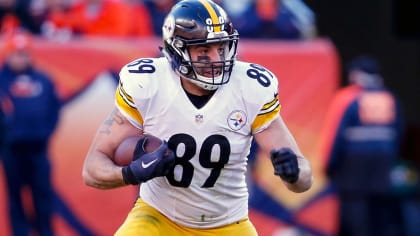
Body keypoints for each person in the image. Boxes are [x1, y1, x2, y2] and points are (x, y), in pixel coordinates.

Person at [82, 0, 313, 235]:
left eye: (221, 47)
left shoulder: (250, 87)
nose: (216, 59)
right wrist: (130, 174)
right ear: (176, 50)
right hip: (158, 217)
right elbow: (92, 168)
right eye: (204, 50)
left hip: (228, 224)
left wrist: (293, 174)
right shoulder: (148, 83)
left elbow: (304, 178)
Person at [319, 56, 405, 236]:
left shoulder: (347, 97)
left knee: (354, 213)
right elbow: (398, 133)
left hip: (353, 164)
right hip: (383, 161)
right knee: (379, 212)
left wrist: (328, 165)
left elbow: (334, 134)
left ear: (356, 74)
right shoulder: (389, 97)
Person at [0, 30, 60, 236]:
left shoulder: (43, 80)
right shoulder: (2, 80)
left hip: (38, 148)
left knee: (43, 198)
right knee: (15, 199)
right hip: (11, 150)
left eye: (25, 53)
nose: (21, 57)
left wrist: (45, 131)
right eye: (17, 53)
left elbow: (54, 109)